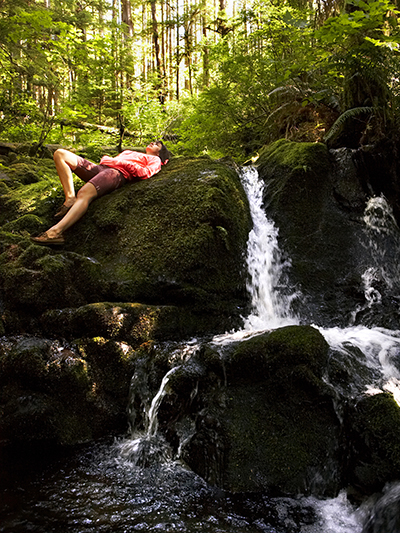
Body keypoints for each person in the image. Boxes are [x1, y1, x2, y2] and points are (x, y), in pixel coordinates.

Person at [31, 141, 170, 246]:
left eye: (158, 144)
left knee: (84, 192)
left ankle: (55, 232)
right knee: (60, 154)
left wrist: (116, 161)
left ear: (160, 152)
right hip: (101, 168)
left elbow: (144, 173)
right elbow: (107, 162)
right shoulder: (130, 152)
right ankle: (70, 199)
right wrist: (114, 161)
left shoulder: (155, 160)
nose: (153, 142)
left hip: (116, 174)